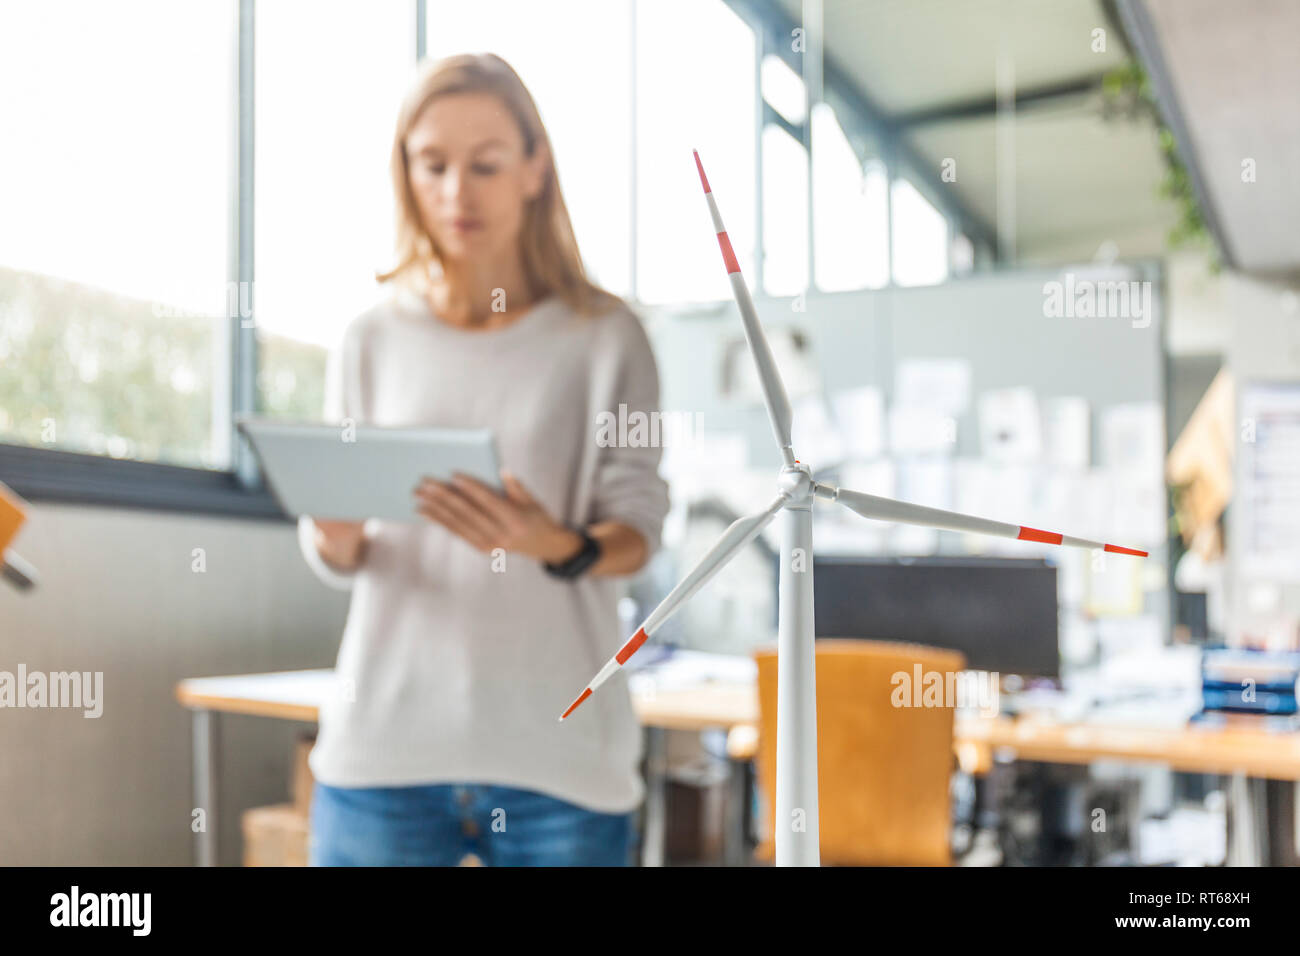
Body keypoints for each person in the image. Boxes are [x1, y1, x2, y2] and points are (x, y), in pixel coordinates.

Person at [298, 52, 670, 866]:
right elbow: (344, 551)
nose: (456, 193)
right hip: (383, 752)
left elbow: (641, 528)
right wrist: (333, 530)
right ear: (406, 171)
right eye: (432, 165)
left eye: (486, 165)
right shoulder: (371, 338)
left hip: (560, 759)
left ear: (535, 168)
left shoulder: (607, 337)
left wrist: (556, 543)